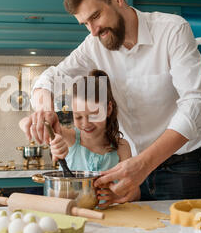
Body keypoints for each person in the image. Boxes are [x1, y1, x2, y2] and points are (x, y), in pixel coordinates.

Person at [22, 0, 201, 203]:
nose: (92, 31)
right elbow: (49, 78)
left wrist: (143, 164)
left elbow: (196, 104)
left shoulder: (172, 30)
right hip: (129, 171)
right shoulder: (94, 45)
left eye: (95, 16)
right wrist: (44, 108)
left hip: (184, 167)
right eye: (85, 24)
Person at [19, 69, 140, 208]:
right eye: (78, 117)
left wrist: (117, 196)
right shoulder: (69, 138)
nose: (85, 123)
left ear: (109, 109)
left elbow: (135, 193)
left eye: (94, 115)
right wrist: (37, 123)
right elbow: (23, 122)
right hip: (73, 217)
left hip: (112, 219)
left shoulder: (122, 147)